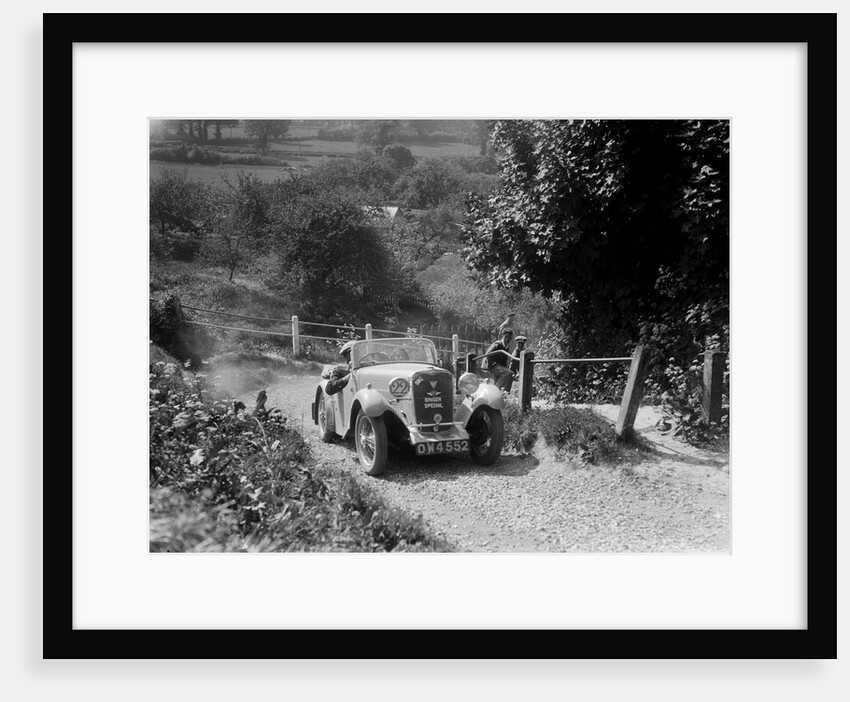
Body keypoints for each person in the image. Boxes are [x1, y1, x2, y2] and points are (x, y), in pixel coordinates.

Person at [483, 327, 516, 392]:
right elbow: (488, 354)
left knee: (511, 374)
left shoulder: (506, 347)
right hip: (491, 364)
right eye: (506, 337)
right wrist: (490, 366)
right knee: (508, 373)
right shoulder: (497, 344)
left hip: (498, 366)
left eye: (509, 338)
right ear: (502, 336)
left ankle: (505, 393)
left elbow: (503, 361)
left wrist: (505, 369)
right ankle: (495, 392)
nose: (507, 339)